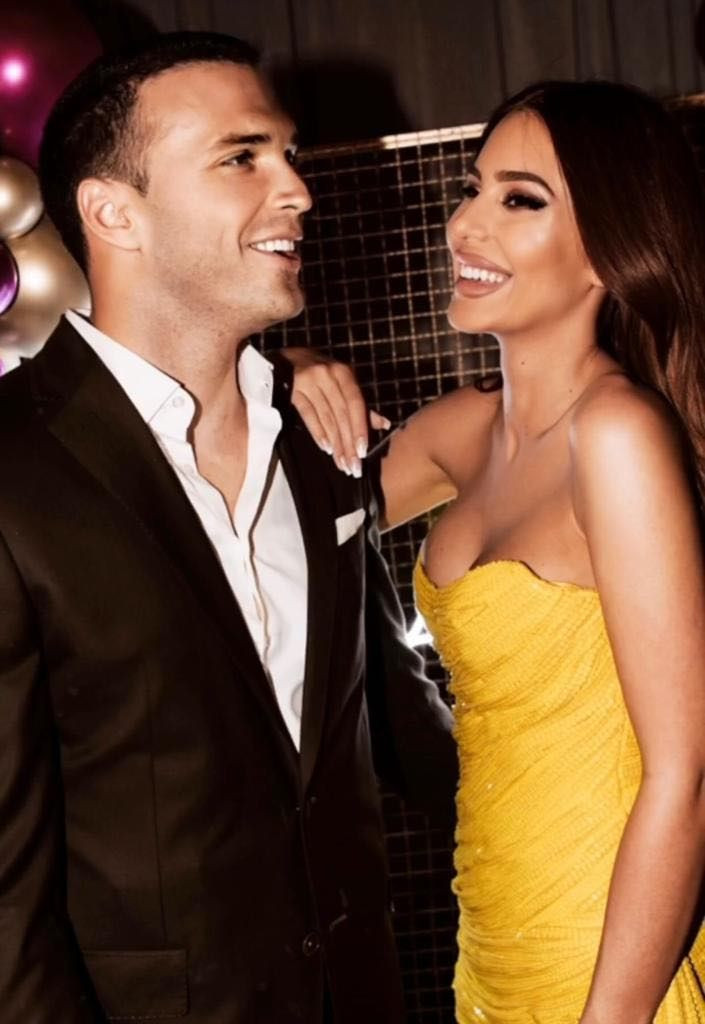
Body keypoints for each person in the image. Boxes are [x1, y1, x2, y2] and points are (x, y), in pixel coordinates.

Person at [0, 31, 457, 1024]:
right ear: (113, 212)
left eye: (286, 154)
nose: (297, 190)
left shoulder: (319, 438)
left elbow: (403, 734)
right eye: (241, 157)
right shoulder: (13, 466)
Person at [289, 80, 705, 1023]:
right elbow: (270, 511)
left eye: (519, 200)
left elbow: (683, 777)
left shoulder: (614, 436)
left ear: (607, 248)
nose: (464, 226)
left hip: (599, 957)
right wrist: (290, 367)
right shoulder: (461, 432)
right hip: (487, 945)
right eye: (471, 190)